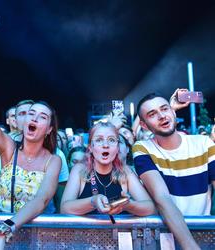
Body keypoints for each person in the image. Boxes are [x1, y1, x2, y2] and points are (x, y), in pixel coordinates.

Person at [0, 19, 61, 247]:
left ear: (49, 130)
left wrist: (7, 226)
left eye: (42, 117)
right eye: (31, 114)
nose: (34, 118)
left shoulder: (53, 161)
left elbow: (41, 199)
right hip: (1, 238)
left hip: (38, 240)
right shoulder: (7, 149)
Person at [133, 92, 215, 249]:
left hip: (204, 235)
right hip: (165, 238)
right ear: (144, 125)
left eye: (164, 109)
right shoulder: (143, 148)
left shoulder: (204, 144)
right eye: (152, 114)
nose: (162, 116)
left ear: (172, 111)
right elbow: (162, 198)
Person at [61, 121, 155, 216]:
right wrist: (92, 202)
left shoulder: (125, 171)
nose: (105, 145)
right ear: (90, 147)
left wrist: (128, 205)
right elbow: (64, 209)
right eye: (99, 140)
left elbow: (150, 208)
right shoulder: (79, 170)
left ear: (117, 147)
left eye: (111, 140)